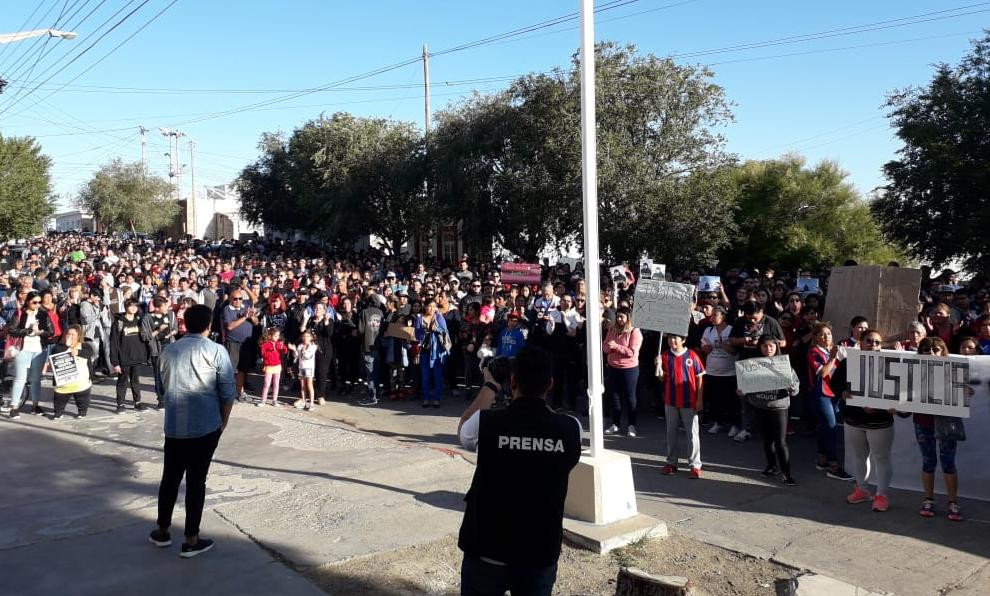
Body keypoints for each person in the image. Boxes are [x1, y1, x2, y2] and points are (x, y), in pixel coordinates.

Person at [456, 346, 581, 596]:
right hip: (539, 549)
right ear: (551, 384)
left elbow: (463, 431)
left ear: (512, 381)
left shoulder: (487, 422)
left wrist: (491, 385)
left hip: (487, 548)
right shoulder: (570, 429)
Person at [149, 305, 236, 558]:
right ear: (209, 325)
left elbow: (161, 389)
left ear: (184, 324)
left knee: (170, 479)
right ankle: (191, 538)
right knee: (197, 481)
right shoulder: (216, 351)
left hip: (175, 425)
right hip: (206, 426)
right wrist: (223, 422)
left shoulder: (168, 351)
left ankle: (163, 531)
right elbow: (228, 392)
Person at [835, 328, 897, 512]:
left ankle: (882, 495)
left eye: (877, 342)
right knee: (859, 456)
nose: (873, 345)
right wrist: (842, 392)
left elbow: (900, 390)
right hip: (854, 418)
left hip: (880, 421)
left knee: (881, 458)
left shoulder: (889, 364)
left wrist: (892, 406)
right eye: (869, 341)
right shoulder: (848, 362)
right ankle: (862, 489)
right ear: (860, 343)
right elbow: (835, 383)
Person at [914, 337, 964, 522]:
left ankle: (953, 502)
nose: (931, 353)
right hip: (922, 421)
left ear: (943, 351)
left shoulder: (954, 372)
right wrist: (898, 408)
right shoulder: (914, 373)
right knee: (928, 461)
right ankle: (928, 499)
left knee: (948, 462)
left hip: (946, 422)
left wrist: (965, 393)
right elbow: (905, 399)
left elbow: (961, 394)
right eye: (926, 349)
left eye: (936, 349)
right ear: (920, 352)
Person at [740, 335, 799, 485]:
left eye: (771, 346)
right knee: (767, 440)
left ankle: (786, 473)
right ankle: (772, 466)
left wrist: (792, 387)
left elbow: (796, 389)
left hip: (778, 407)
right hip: (760, 406)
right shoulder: (753, 365)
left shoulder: (784, 366)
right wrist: (742, 391)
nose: (768, 349)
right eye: (765, 346)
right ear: (759, 347)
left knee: (780, 441)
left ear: (776, 347)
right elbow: (744, 387)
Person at [806, 321, 852, 480]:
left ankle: (822, 458)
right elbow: (823, 372)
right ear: (816, 337)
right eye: (822, 334)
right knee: (831, 427)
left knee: (825, 426)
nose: (826, 337)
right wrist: (833, 358)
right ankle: (833, 465)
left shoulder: (835, 350)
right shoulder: (813, 352)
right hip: (821, 394)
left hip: (834, 393)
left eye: (829, 334)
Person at [658, 333, 705, 478]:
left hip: (689, 401)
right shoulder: (664, 356)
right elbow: (662, 378)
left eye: (675, 338)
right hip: (671, 400)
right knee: (671, 432)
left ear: (683, 340)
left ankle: (695, 465)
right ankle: (671, 463)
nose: (672, 341)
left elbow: (700, 378)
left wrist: (699, 399)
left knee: (692, 434)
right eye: (669, 338)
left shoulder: (692, 355)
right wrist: (658, 367)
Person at [6, 291, 54, 418]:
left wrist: (40, 332)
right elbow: (12, 329)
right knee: (20, 378)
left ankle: (35, 405)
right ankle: (14, 407)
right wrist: (28, 330)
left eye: (39, 302)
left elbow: (51, 331)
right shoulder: (20, 313)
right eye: (35, 302)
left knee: (35, 379)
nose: (37, 304)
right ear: (28, 302)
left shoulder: (43, 314)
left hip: (39, 349)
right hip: (23, 349)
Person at [602, 307, 642, 437]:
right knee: (615, 397)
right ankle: (616, 424)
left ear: (628, 318)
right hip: (613, 367)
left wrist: (616, 347)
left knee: (630, 398)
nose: (619, 319)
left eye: (622, 317)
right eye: (618, 316)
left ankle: (632, 425)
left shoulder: (635, 331)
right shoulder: (612, 329)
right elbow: (605, 346)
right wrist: (610, 348)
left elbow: (632, 352)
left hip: (629, 369)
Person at [45, 324, 95, 420]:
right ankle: (58, 413)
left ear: (78, 336)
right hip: (63, 383)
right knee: (59, 400)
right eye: (68, 334)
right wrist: (66, 347)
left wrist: (78, 352)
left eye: (73, 335)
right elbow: (55, 357)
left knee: (82, 399)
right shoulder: (58, 347)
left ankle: (82, 412)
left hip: (81, 383)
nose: (70, 336)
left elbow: (90, 353)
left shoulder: (85, 346)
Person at [701, 305, 737, 435]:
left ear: (723, 316)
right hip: (712, 371)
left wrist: (722, 344)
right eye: (712, 316)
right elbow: (705, 350)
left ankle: (734, 425)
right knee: (715, 399)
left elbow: (734, 351)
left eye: (715, 315)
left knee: (731, 400)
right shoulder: (708, 330)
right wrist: (710, 346)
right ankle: (718, 422)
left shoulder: (731, 330)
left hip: (729, 372)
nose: (712, 318)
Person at [110, 298, 149, 413]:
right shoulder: (119, 322)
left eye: (135, 306)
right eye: (131, 306)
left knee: (135, 381)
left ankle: (137, 403)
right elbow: (114, 343)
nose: (133, 308)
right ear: (126, 307)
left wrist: (145, 355)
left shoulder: (139, 320)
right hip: (124, 358)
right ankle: (120, 404)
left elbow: (144, 338)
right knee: (122, 381)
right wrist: (115, 362)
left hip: (137, 357)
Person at [222, 289, 259, 401]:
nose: (238, 301)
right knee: (231, 370)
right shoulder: (227, 309)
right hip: (233, 343)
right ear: (230, 299)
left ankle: (240, 392)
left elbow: (256, 322)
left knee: (243, 369)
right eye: (235, 299)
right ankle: (228, 393)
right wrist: (244, 317)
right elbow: (229, 326)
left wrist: (252, 317)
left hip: (246, 344)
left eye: (240, 298)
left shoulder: (246, 307)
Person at [141, 296, 177, 410]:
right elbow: (145, 336)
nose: (167, 307)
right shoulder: (148, 317)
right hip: (156, 349)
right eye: (164, 306)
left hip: (169, 347)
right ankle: (161, 400)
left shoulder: (170, 314)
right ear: (157, 308)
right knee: (158, 375)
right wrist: (158, 330)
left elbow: (175, 328)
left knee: (171, 374)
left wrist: (170, 334)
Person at [415, 299, 450, 408]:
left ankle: (436, 399)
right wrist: (423, 332)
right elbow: (417, 334)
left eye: (433, 306)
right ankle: (425, 398)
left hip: (438, 351)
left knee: (437, 376)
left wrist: (437, 329)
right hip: (425, 350)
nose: (431, 309)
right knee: (425, 376)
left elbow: (444, 331)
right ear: (425, 307)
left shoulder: (439, 317)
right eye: (429, 306)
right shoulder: (419, 318)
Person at [258, 327, 288, 407]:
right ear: (270, 336)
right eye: (275, 336)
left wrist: (283, 348)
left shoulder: (279, 343)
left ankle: (274, 400)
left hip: (277, 366)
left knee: (276, 384)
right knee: (266, 384)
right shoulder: (265, 344)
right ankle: (263, 400)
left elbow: (285, 351)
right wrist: (270, 351)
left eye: (278, 336)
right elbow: (263, 354)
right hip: (269, 366)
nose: (277, 337)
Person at [295, 331, 317, 410]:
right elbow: (296, 357)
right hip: (301, 367)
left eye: (307, 336)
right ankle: (304, 402)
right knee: (302, 386)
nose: (305, 338)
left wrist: (304, 350)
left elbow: (308, 356)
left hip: (309, 368)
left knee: (309, 385)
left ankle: (311, 404)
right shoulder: (300, 345)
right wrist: (294, 350)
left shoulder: (313, 346)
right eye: (304, 336)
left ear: (311, 338)